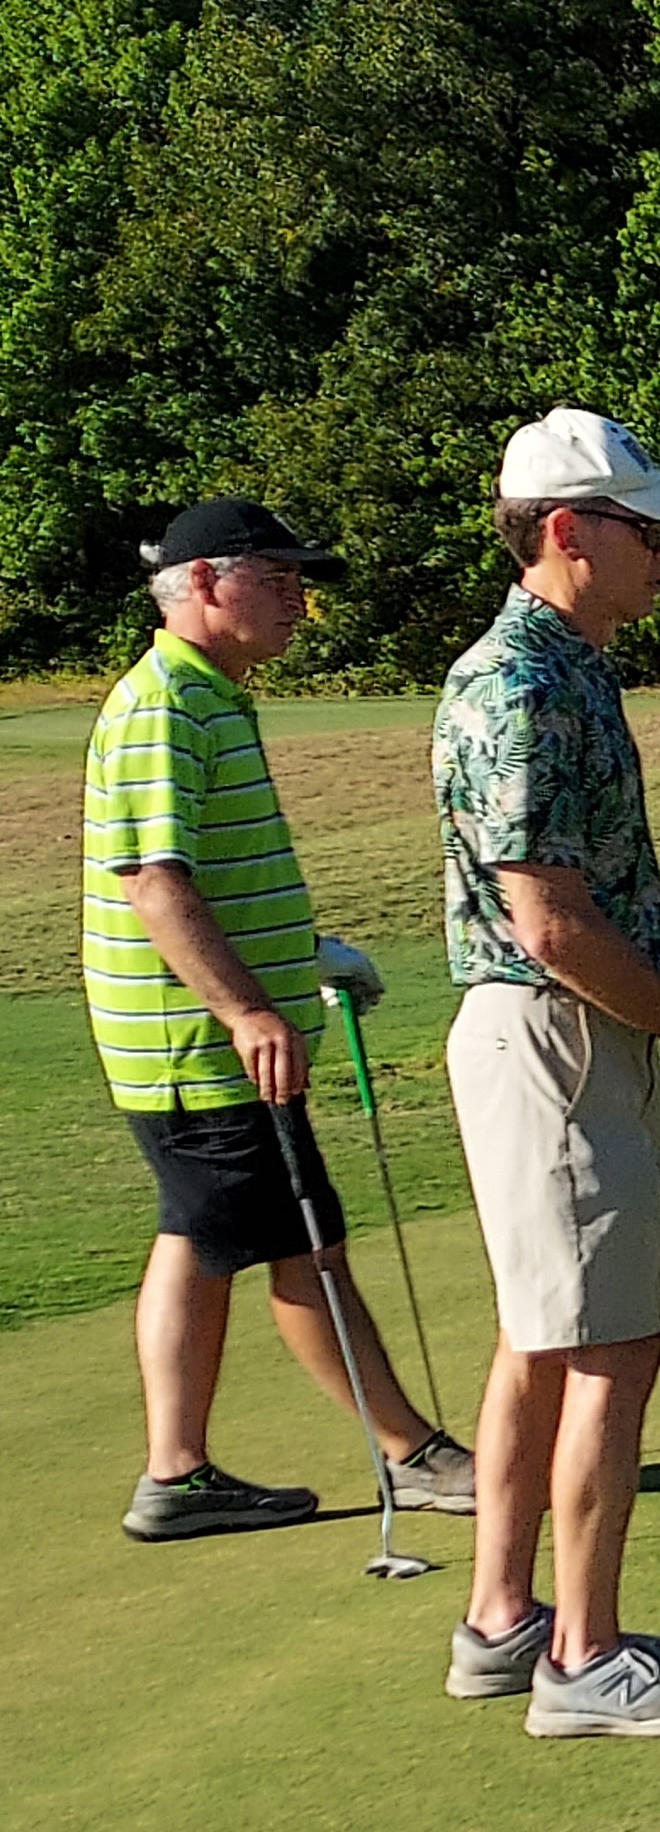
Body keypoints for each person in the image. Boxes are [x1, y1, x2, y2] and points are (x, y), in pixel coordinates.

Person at [430, 411, 660, 1739]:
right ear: (568, 532)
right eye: (648, 531)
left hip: (568, 1027)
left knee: (544, 1337)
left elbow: (607, 885)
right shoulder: (520, 686)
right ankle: (581, 1657)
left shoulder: (572, 668)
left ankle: (502, 1619)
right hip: (553, 1037)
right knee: (609, 1346)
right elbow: (551, 926)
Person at [84, 498, 473, 1541]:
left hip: (194, 1040)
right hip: (200, 1047)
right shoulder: (166, 704)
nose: (299, 599)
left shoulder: (208, 694)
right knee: (307, 1247)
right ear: (206, 582)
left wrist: (303, 957)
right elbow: (152, 881)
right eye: (278, 577)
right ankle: (413, 1455)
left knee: (195, 1235)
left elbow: (210, 874)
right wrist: (248, 1007)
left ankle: (176, 1474)